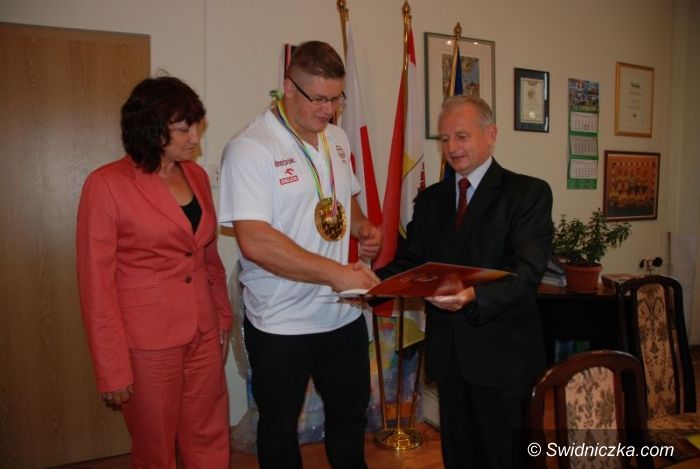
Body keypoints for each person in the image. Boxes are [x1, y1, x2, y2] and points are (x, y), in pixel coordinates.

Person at [218, 40, 381, 469]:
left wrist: (363, 228)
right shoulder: (251, 147)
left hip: (342, 315)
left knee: (350, 418)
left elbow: (346, 200)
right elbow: (255, 241)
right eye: (319, 99)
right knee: (278, 431)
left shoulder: (338, 138)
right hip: (281, 323)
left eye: (337, 99)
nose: (329, 110)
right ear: (288, 87)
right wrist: (335, 273)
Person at [377, 95, 553, 469]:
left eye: (461, 136)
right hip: (449, 358)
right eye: (444, 139)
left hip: (503, 358)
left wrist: (474, 296)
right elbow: (412, 261)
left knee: (508, 459)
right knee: (459, 457)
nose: (452, 148)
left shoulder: (527, 193)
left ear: (491, 134)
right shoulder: (431, 200)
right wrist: (371, 283)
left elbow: (527, 271)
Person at [76, 76, 232, 469]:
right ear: (151, 128)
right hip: (147, 341)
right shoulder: (106, 184)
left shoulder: (196, 177)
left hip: (204, 329)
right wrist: (112, 368)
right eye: (184, 129)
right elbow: (96, 287)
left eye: (196, 126)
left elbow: (207, 256)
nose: (195, 137)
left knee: (210, 436)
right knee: (155, 448)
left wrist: (222, 315)